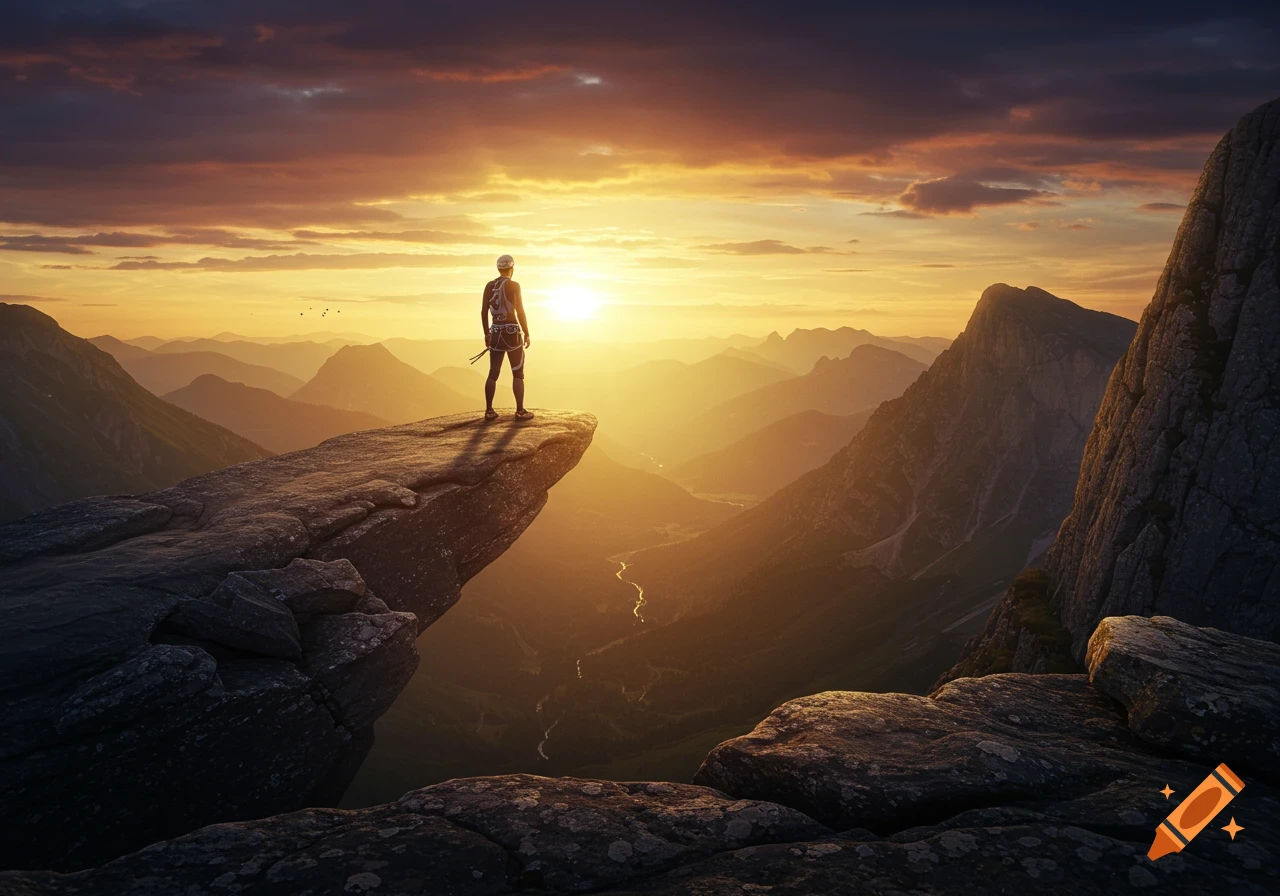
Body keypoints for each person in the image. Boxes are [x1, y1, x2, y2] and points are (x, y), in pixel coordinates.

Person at [481, 254, 533, 420]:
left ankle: (489, 411)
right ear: (512, 268)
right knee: (517, 373)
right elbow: (520, 310)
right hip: (511, 332)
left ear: (498, 268)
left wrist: (486, 334)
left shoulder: (490, 286)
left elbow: (483, 311)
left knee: (493, 373)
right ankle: (520, 411)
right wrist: (526, 332)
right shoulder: (514, 285)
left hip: (495, 331)